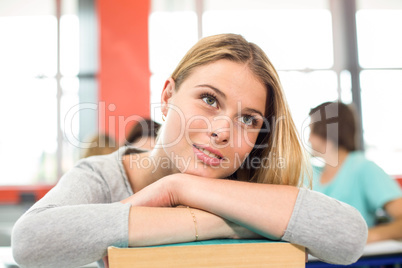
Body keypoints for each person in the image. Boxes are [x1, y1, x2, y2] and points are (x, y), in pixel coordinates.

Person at [12, 34, 367, 268]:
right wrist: (231, 224)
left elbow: (348, 236)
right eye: (209, 100)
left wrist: (182, 188)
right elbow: (31, 242)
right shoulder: (102, 177)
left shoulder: (252, 179)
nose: (222, 131)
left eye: (248, 119)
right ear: (167, 97)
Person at [308, 101, 402, 243]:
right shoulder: (311, 173)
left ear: (325, 131)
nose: (308, 139)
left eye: (311, 131)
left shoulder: (362, 168)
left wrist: (367, 237)